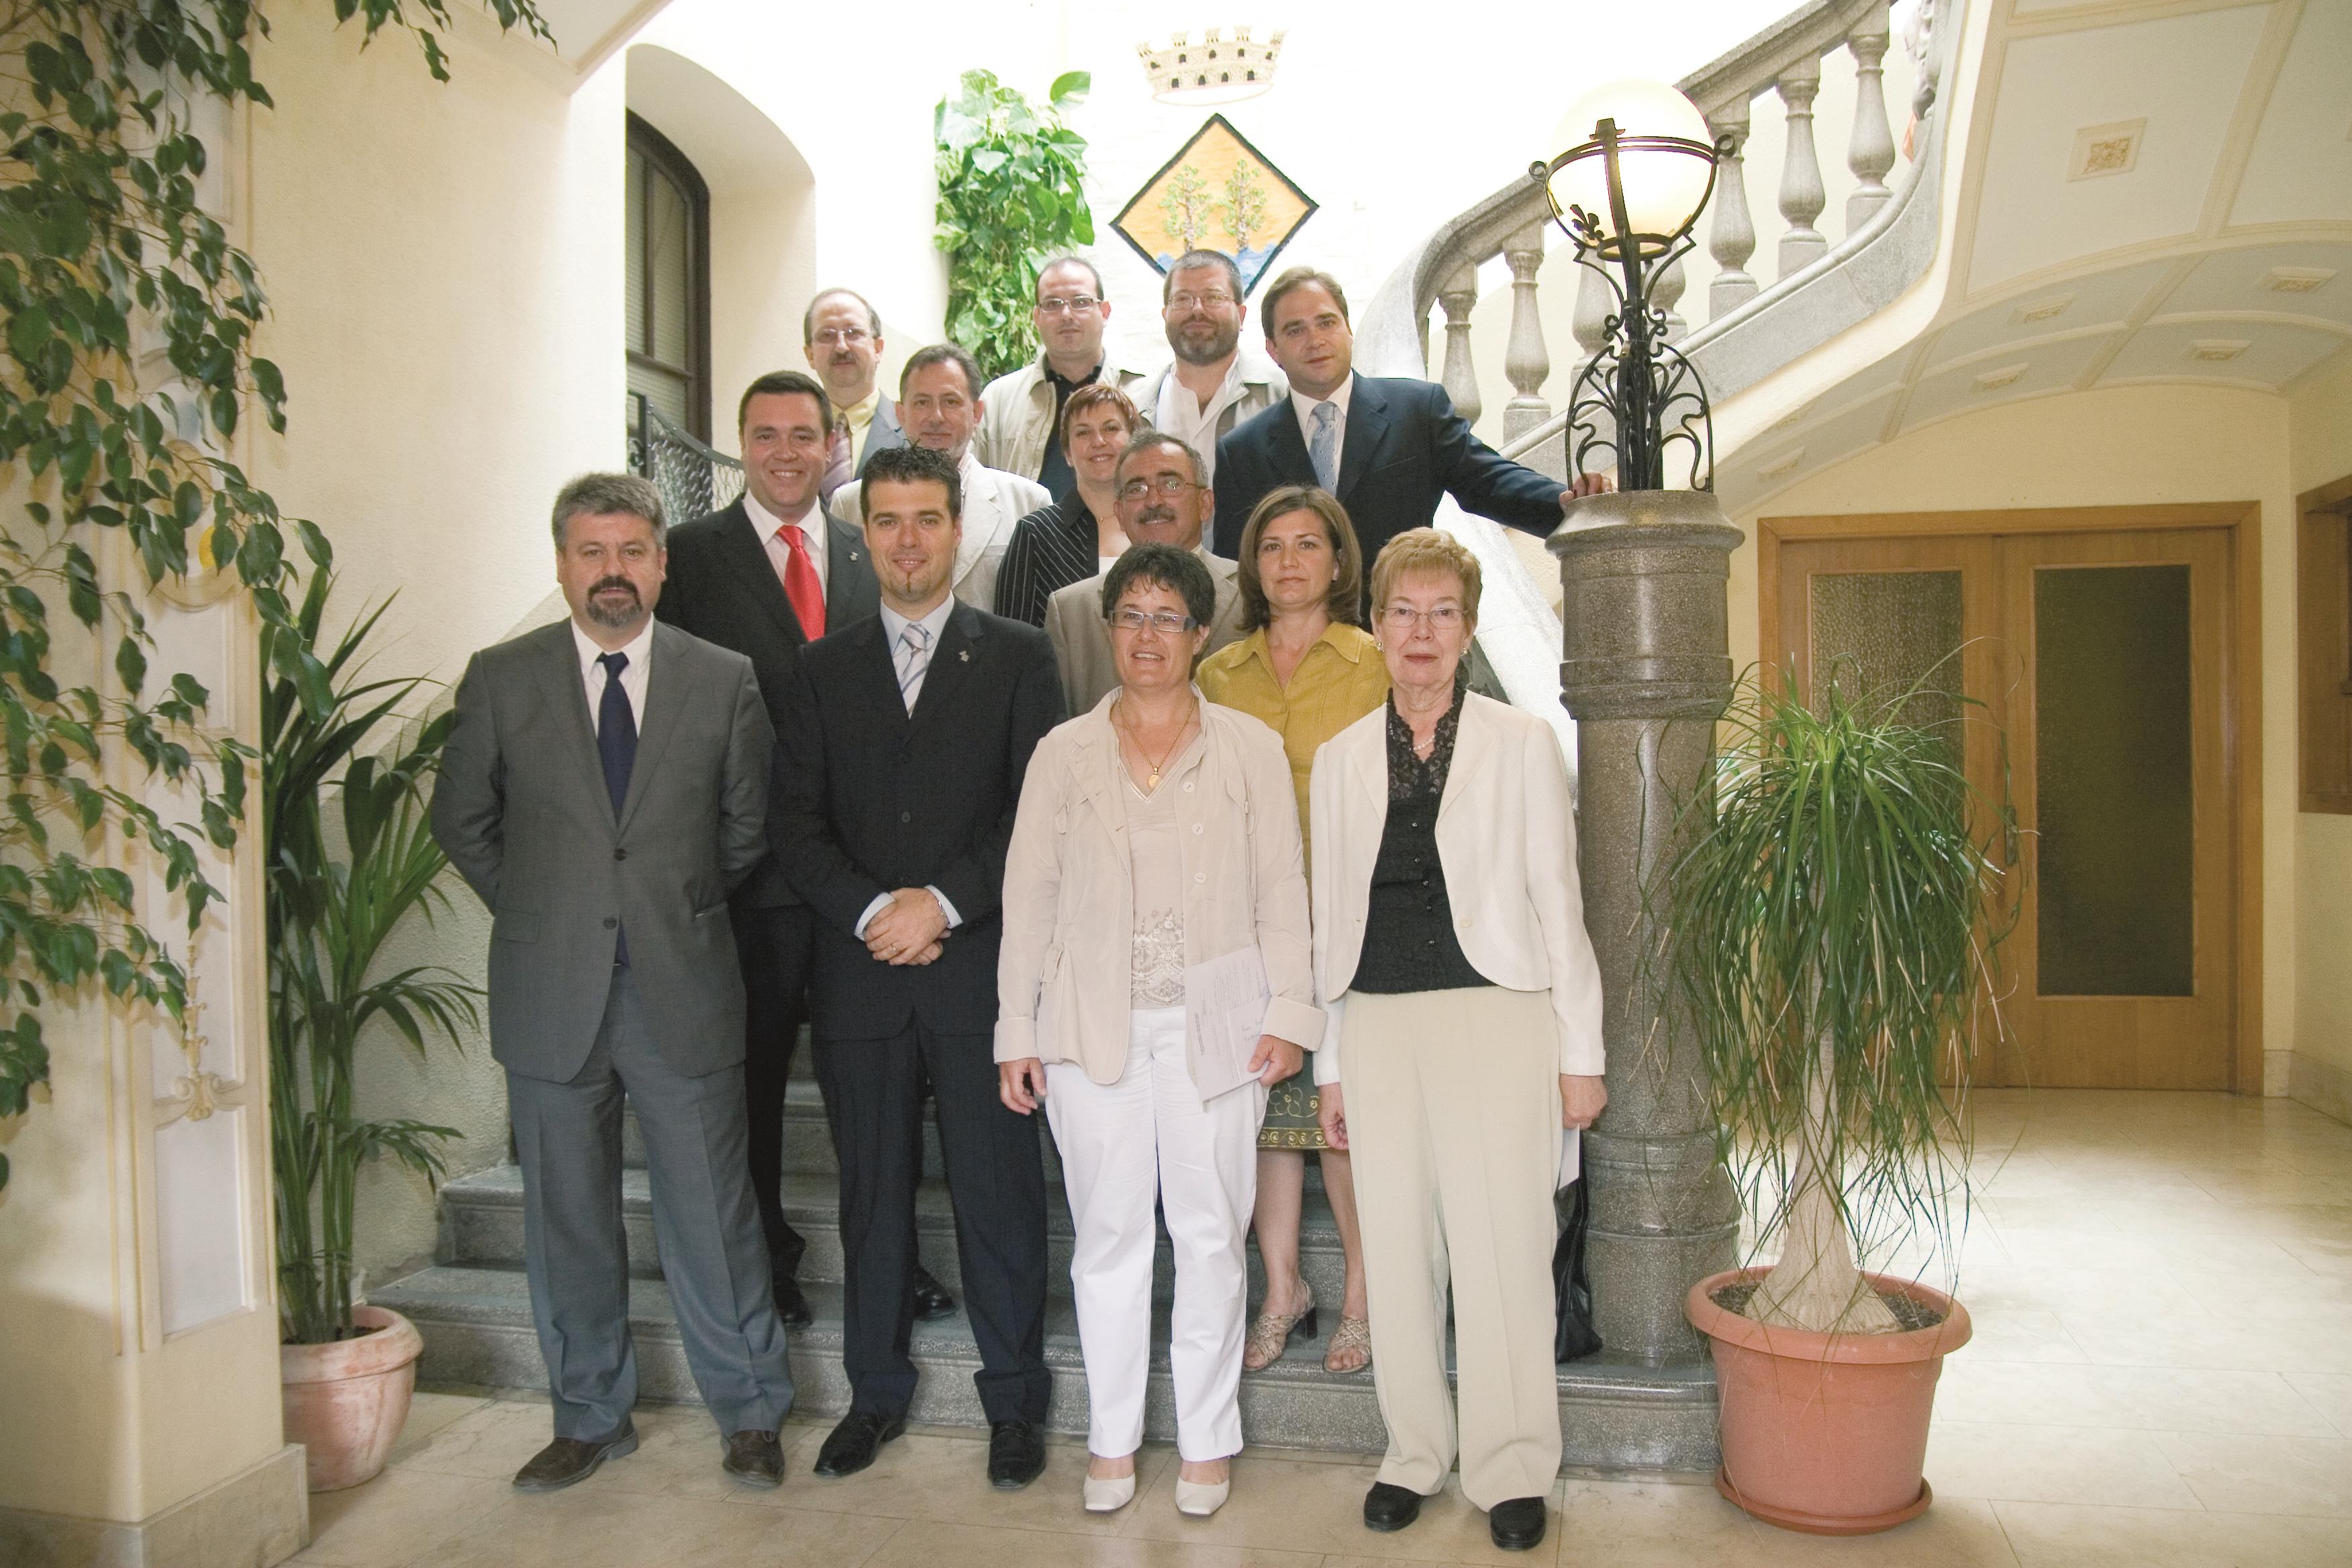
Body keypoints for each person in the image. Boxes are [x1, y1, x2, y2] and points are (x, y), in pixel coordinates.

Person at [430, 473, 794, 1492]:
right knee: (567, 1217)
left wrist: (664, 906)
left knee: (713, 1217)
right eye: (592, 554)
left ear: (663, 563)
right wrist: (551, 908)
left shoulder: (721, 678)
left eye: (633, 551)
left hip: (681, 988)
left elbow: (745, 827)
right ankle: (589, 1416)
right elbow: (462, 821)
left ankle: (751, 1413)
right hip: (554, 995)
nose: (613, 574)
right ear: (561, 565)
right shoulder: (503, 678)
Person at [997, 543, 1322, 1520]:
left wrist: (1292, 1016)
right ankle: (1112, 1439)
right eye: (1130, 617)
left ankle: (1210, 1440)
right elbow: (1030, 901)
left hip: (1215, 1030)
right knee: (1107, 1239)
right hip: (1090, 1027)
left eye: (1165, 618)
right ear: (1111, 633)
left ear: (1200, 633)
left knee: (1213, 1235)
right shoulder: (1062, 754)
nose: (1147, 636)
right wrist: (1017, 1029)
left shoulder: (1249, 749)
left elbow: (1281, 893)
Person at [768, 443, 1064, 1489]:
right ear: (865, 531)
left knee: (1000, 1198)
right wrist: (869, 913)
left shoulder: (1021, 656)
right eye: (886, 520)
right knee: (872, 1202)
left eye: (926, 519)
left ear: (955, 527)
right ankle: (875, 1397)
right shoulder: (819, 668)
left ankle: (1015, 1403)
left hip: (980, 975)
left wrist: (937, 905)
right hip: (860, 984)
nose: (906, 540)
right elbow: (792, 825)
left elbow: (1039, 811)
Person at [1308, 529, 1606, 1554]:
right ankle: (1413, 1455)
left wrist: (1582, 1052)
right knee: (1394, 1251)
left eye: (1442, 613)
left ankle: (1512, 1464)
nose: (1421, 632)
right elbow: (1330, 924)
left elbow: (1558, 905)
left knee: (1503, 1251)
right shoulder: (1342, 761)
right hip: (1380, 1022)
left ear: (1469, 629)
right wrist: (1331, 1064)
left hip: (1499, 1017)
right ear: (1377, 628)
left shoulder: (1522, 743)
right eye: (1403, 613)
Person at [663, 370, 956, 1330]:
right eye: (765, 435)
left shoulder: (869, 550)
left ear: (835, 441)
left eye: (804, 434)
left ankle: (889, 1258)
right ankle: (767, 1262)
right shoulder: (687, 559)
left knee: (870, 1097)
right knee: (746, 1085)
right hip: (746, 880)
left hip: (859, 878)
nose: (786, 452)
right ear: (741, 444)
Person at [1195, 486, 1386, 1377]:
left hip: (1348, 920)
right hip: (1248, 925)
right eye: (1272, 546)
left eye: (1309, 544)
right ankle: (1282, 1290)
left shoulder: (1373, 663)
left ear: (1339, 562)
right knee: (1267, 1116)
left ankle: (1361, 1294)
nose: (1289, 561)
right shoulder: (1218, 673)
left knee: (1340, 1121)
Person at [1211, 266, 1608, 589]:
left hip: (1402, 637)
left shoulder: (1417, 411)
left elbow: (1488, 480)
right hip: (1296, 658)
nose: (1315, 340)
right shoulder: (1242, 451)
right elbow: (1236, 570)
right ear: (1273, 350)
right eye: (1295, 330)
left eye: (1326, 322)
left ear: (1348, 330)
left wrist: (1567, 504)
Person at [1043, 432, 1245, 714]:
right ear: (1120, 512)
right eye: (1136, 489)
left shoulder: (1252, 591)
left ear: (1205, 504)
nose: (1153, 501)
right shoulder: (1070, 612)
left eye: (1171, 484)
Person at [838, 342, 1045, 617]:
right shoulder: (849, 503)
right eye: (922, 402)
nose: (936, 418)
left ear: (977, 413)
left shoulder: (1028, 502)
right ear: (901, 413)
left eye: (951, 402)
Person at [973, 255, 1144, 496]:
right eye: (1053, 304)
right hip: (1023, 533)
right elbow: (973, 489)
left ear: (1104, 312)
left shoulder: (1141, 394)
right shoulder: (999, 400)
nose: (1066, 314)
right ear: (1037, 317)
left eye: (1081, 302)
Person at [1132, 249, 1287, 489]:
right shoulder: (1136, 410)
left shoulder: (1282, 396)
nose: (1197, 310)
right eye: (1182, 299)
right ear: (1165, 315)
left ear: (1241, 314)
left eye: (1213, 297)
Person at [993, 383, 1138, 628]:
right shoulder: (1036, 534)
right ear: (1068, 453)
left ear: (1134, 441)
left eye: (1111, 428)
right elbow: (1013, 642)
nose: (1098, 441)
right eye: (1083, 433)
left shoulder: (1158, 525)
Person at [803, 287, 905, 505]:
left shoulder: (912, 432)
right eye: (827, 335)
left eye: (853, 333)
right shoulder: (787, 436)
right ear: (810, 354)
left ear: (878, 348)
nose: (841, 346)